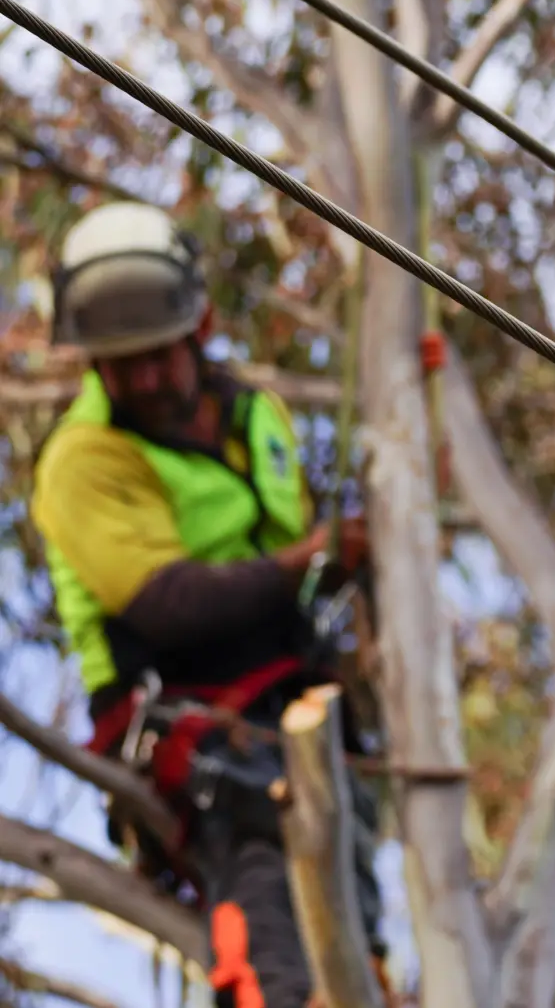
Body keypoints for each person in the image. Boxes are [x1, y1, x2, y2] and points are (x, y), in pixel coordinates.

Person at [31, 201, 388, 1008]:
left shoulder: (258, 415)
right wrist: (312, 555)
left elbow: (285, 569)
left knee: (348, 879)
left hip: (293, 700)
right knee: (265, 845)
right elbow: (171, 603)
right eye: (123, 365)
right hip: (185, 717)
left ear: (202, 328)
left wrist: (351, 562)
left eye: (160, 356)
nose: (148, 380)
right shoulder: (83, 458)